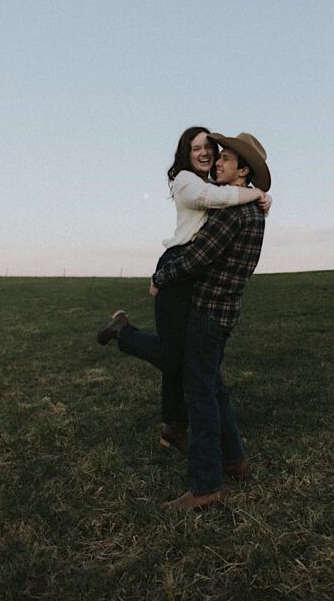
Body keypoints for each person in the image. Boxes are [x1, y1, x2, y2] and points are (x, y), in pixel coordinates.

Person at [96, 127, 269, 455]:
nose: (206, 154)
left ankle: (173, 426)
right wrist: (255, 194)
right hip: (181, 263)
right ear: (185, 155)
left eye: (211, 148)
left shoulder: (216, 185)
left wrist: (257, 194)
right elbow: (212, 200)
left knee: (181, 355)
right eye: (196, 148)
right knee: (174, 356)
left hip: (196, 267)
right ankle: (123, 331)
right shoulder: (187, 182)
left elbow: (227, 195)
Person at [148, 132, 270, 511]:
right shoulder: (252, 210)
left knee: (199, 394)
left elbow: (197, 257)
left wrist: (159, 279)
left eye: (226, 160)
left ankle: (205, 487)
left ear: (243, 170)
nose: (217, 162)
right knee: (214, 387)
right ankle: (235, 460)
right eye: (218, 158)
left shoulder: (233, 213)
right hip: (226, 312)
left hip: (206, 312)